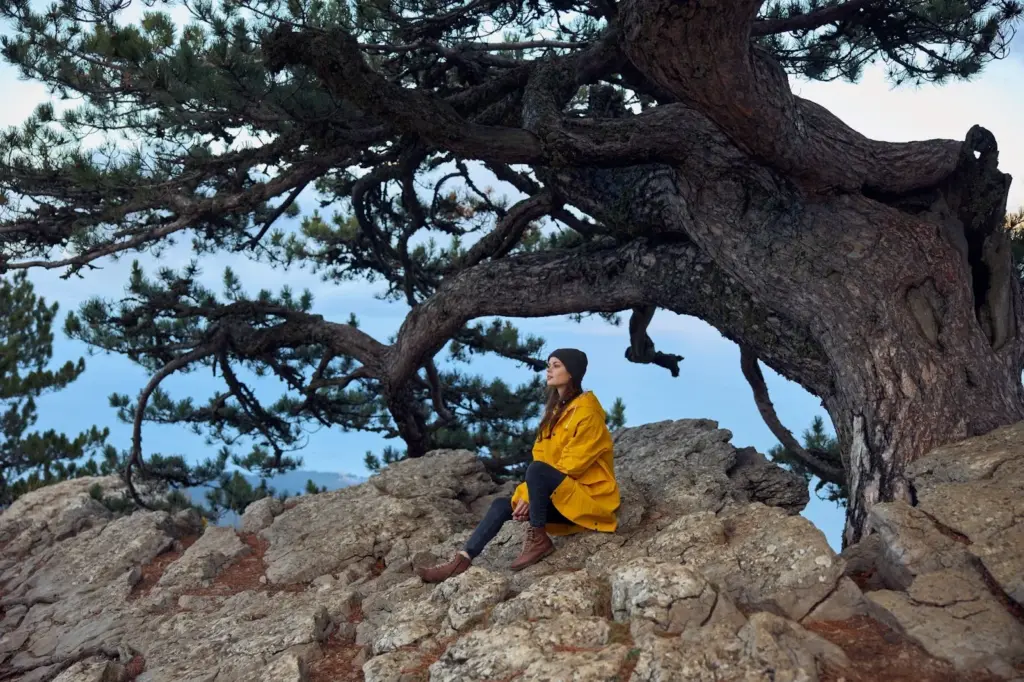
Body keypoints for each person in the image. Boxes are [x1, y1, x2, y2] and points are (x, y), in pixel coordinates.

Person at [416, 348, 620, 583]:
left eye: (556, 365)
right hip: (565, 497)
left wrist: (532, 496)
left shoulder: (587, 412)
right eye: (549, 364)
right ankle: (461, 561)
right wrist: (526, 493)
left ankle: (539, 539)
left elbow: (571, 466)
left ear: (572, 372)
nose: (549, 370)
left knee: (536, 471)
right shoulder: (555, 412)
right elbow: (541, 456)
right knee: (503, 504)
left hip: (589, 500)